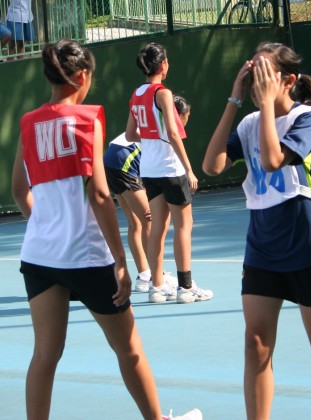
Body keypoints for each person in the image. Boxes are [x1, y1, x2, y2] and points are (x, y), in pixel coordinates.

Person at [11, 38, 202, 420]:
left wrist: (48, 228)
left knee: (45, 355)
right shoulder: (88, 117)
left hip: (39, 255)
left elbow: (19, 190)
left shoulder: (29, 122)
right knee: (129, 349)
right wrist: (119, 261)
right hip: (86, 255)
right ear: (82, 76)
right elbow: (100, 195)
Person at [202, 41, 311, 420]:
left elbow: (273, 159)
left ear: (288, 80)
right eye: (252, 76)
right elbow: (211, 166)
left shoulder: (310, 119)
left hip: (307, 246)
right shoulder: (250, 123)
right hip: (262, 248)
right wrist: (234, 100)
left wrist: (264, 105)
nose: (256, 84)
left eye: (264, 76)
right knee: (257, 345)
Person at [125, 42, 213, 304]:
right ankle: (185, 288)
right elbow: (174, 133)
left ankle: (156, 287)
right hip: (170, 169)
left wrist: (151, 140)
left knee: (158, 230)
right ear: (162, 65)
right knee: (184, 226)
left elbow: (131, 134)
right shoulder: (162, 93)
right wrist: (188, 168)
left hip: (149, 170)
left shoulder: (136, 93)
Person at [104, 94, 192, 294]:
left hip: (111, 160)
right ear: (179, 115)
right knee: (149, 220)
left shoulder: (155, 121)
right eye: (187, 116)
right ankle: (155, 279)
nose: (187, 120)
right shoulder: (167, 131)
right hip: (123, 162)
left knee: (135, 221)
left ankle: (145, 276)